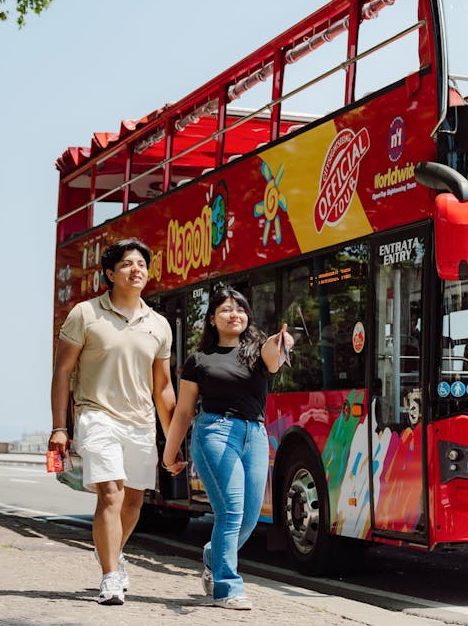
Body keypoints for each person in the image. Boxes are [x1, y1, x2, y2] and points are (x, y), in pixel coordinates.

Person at [49, 238, 176, 606]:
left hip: (140, 422)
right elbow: (62, 372)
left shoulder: (159, 325)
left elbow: (163, 386)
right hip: (96, 415)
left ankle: (111, 552)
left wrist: (172, 439)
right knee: (111, 493)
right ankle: (109, 577)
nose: (136, 269)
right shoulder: (85, 314)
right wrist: (60, 426)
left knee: (133, 502)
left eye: (141, 264)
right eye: (126, 264)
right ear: (109, 273)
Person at [162, 287, 291, 611]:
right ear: (212, 319)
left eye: (240, 309)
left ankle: (212, 555)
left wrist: (282, 343)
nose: (234, 314)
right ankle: (227, 588)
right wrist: (170, 451)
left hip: (256, 436)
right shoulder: (199, 360)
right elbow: (184, 411)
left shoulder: (258, 351)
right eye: (226, 309)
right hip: (215, 433)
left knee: (248, 519)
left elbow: (275, 361)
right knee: (230, 512)